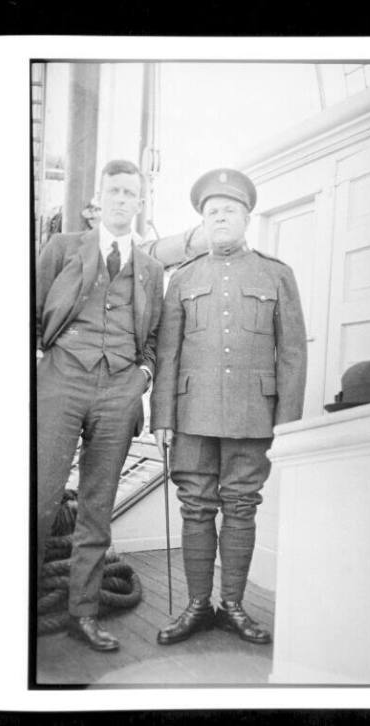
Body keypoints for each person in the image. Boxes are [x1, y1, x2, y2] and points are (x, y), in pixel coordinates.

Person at [150, 168, 307, 645]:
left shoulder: (276, 274)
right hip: (192, 414)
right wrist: (162, 417)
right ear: (203, 220)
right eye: (212, 212)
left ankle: (233, 605)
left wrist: (289, 424)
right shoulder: (182, 278)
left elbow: (294, 351)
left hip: (252, 415)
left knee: (241, 506)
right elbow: (168, 352)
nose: (220, 218)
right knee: (195, 507)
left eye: (229, 211)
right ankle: (199, 606)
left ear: (246, 218)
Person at [36, 159, 164, 652]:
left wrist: (143, 378)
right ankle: (20, 606)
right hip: (61, 379)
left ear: (139, 202)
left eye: (130, 193)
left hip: (119, 390)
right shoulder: (63, 247)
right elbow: (27, 307)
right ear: (99, 196)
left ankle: (84, 613)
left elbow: (153, 338)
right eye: (114, 190)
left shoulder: (151, 269)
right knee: (43, 496)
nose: (121, 200)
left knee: (96, 505)